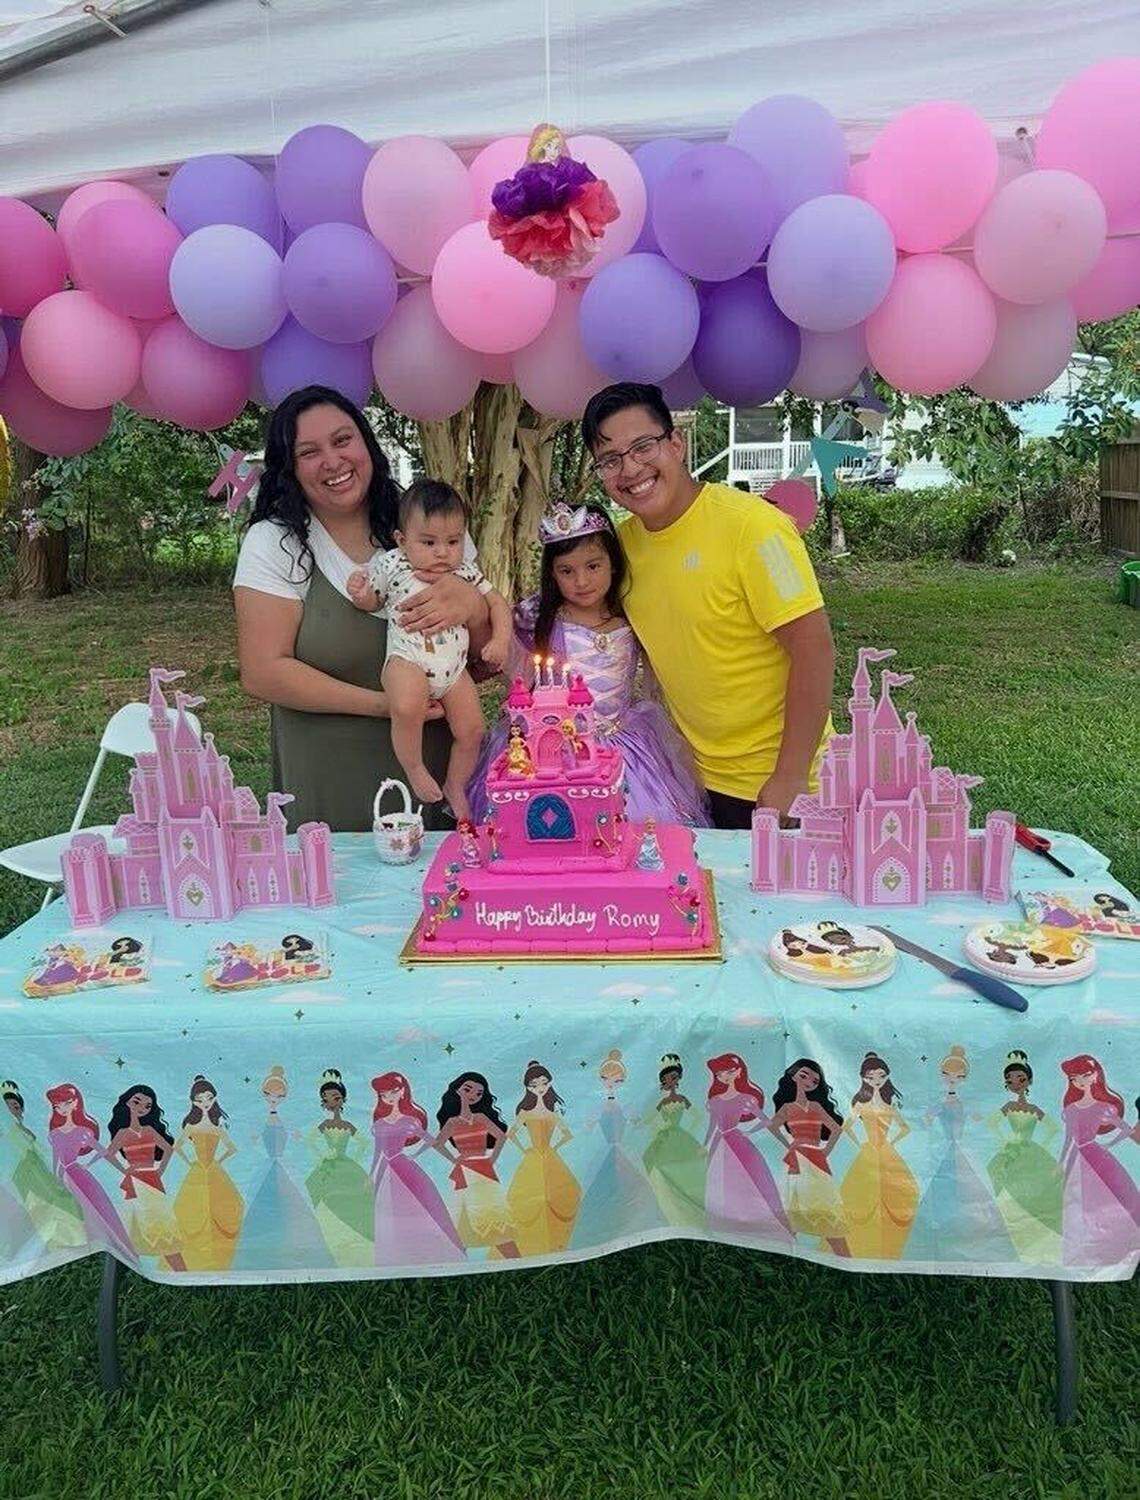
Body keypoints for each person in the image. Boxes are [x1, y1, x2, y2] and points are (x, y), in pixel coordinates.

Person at [233, 386, 494, 832]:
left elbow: (484, 662)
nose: (332, 461)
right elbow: (263, 672)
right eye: (309, 452)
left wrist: (474, 607)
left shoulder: (428, 525)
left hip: (437, 774)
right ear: (289, 468)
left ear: (367, 443)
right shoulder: (276, 543)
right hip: (331, 779)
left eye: (342, 440)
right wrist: (388, 706)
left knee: (442, 876)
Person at [581, 382, 835, 829]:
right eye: (611, 459)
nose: (631, 469)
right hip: (688, 780)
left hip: (779, 786)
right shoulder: (620, 550)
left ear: (676, 444)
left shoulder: (756, 528)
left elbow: (814, 648)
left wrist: (790, 776)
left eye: (643, 446)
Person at [466, 501, 709, 826]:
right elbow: (505, 656)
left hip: (623, 744)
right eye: (566, 571)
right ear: (552, 574)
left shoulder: (634, 611)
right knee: (549, 822)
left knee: (637, 821)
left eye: (593, 566)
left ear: (613, 563)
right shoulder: (537, 616)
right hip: (550, 747)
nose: (581, 581)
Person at [345, 479, 510, 820]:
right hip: (407, 660)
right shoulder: (392, 564)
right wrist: (361, 594)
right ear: (402, 540)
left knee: (473, 730)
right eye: (429, 542)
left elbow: (498, 604)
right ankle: (414, 766)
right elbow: (373, 600)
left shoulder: (465, 571)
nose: (442, 552)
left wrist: (500, 640)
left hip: (454, 671)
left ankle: (455, 785)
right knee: (407, 705)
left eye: (453, 541)